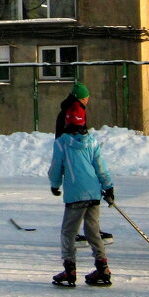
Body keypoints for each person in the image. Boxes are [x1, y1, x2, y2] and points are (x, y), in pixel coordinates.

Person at [48, 121, 115, 287]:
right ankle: (103, 267)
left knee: (68, 232)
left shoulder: (62, 143)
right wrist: (108, 186)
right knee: (93, 231)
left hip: (76, 194)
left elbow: (56, 166)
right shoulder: (91, 141)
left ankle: (69, 270)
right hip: (93, 192)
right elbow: (100, 166)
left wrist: (55, 184)